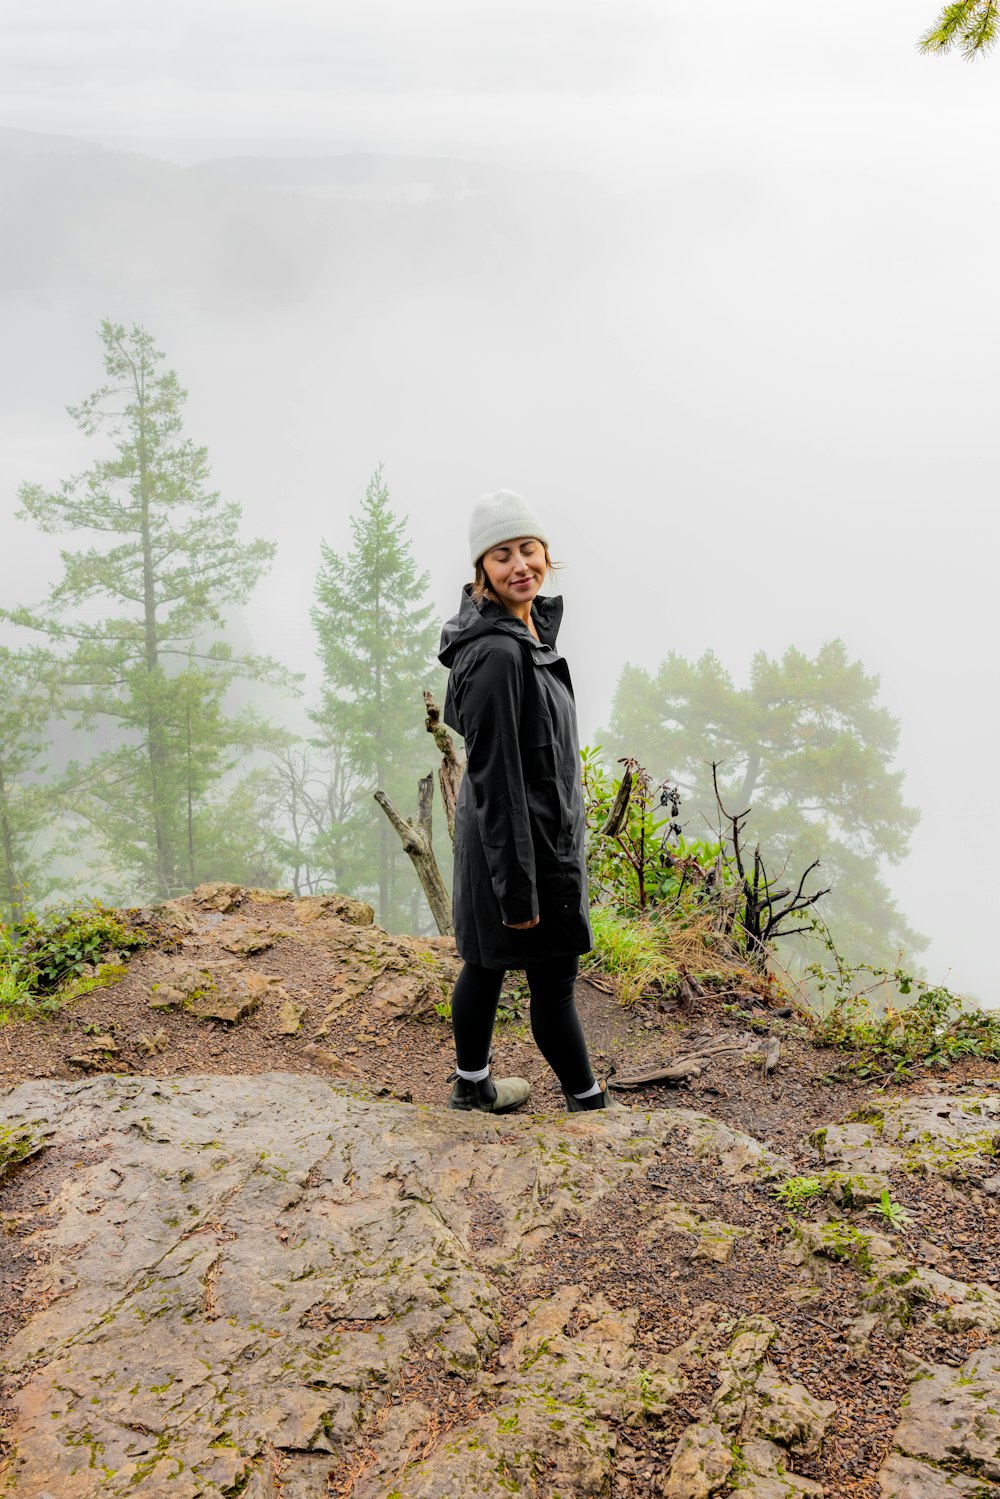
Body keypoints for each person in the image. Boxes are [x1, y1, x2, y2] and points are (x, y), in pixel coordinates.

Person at [438, 490, 616, 1113]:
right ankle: (588, 1104)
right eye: (502, 554)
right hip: (517, 849)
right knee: (550, 978)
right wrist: (518, 890)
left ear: (546, 554)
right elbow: (496, 776)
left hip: (528, 838)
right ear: (481, 569)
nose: (520, 565)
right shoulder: (497, 653)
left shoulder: (528, 629)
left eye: (529, 549)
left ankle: (472, 1087)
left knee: (487, 965)